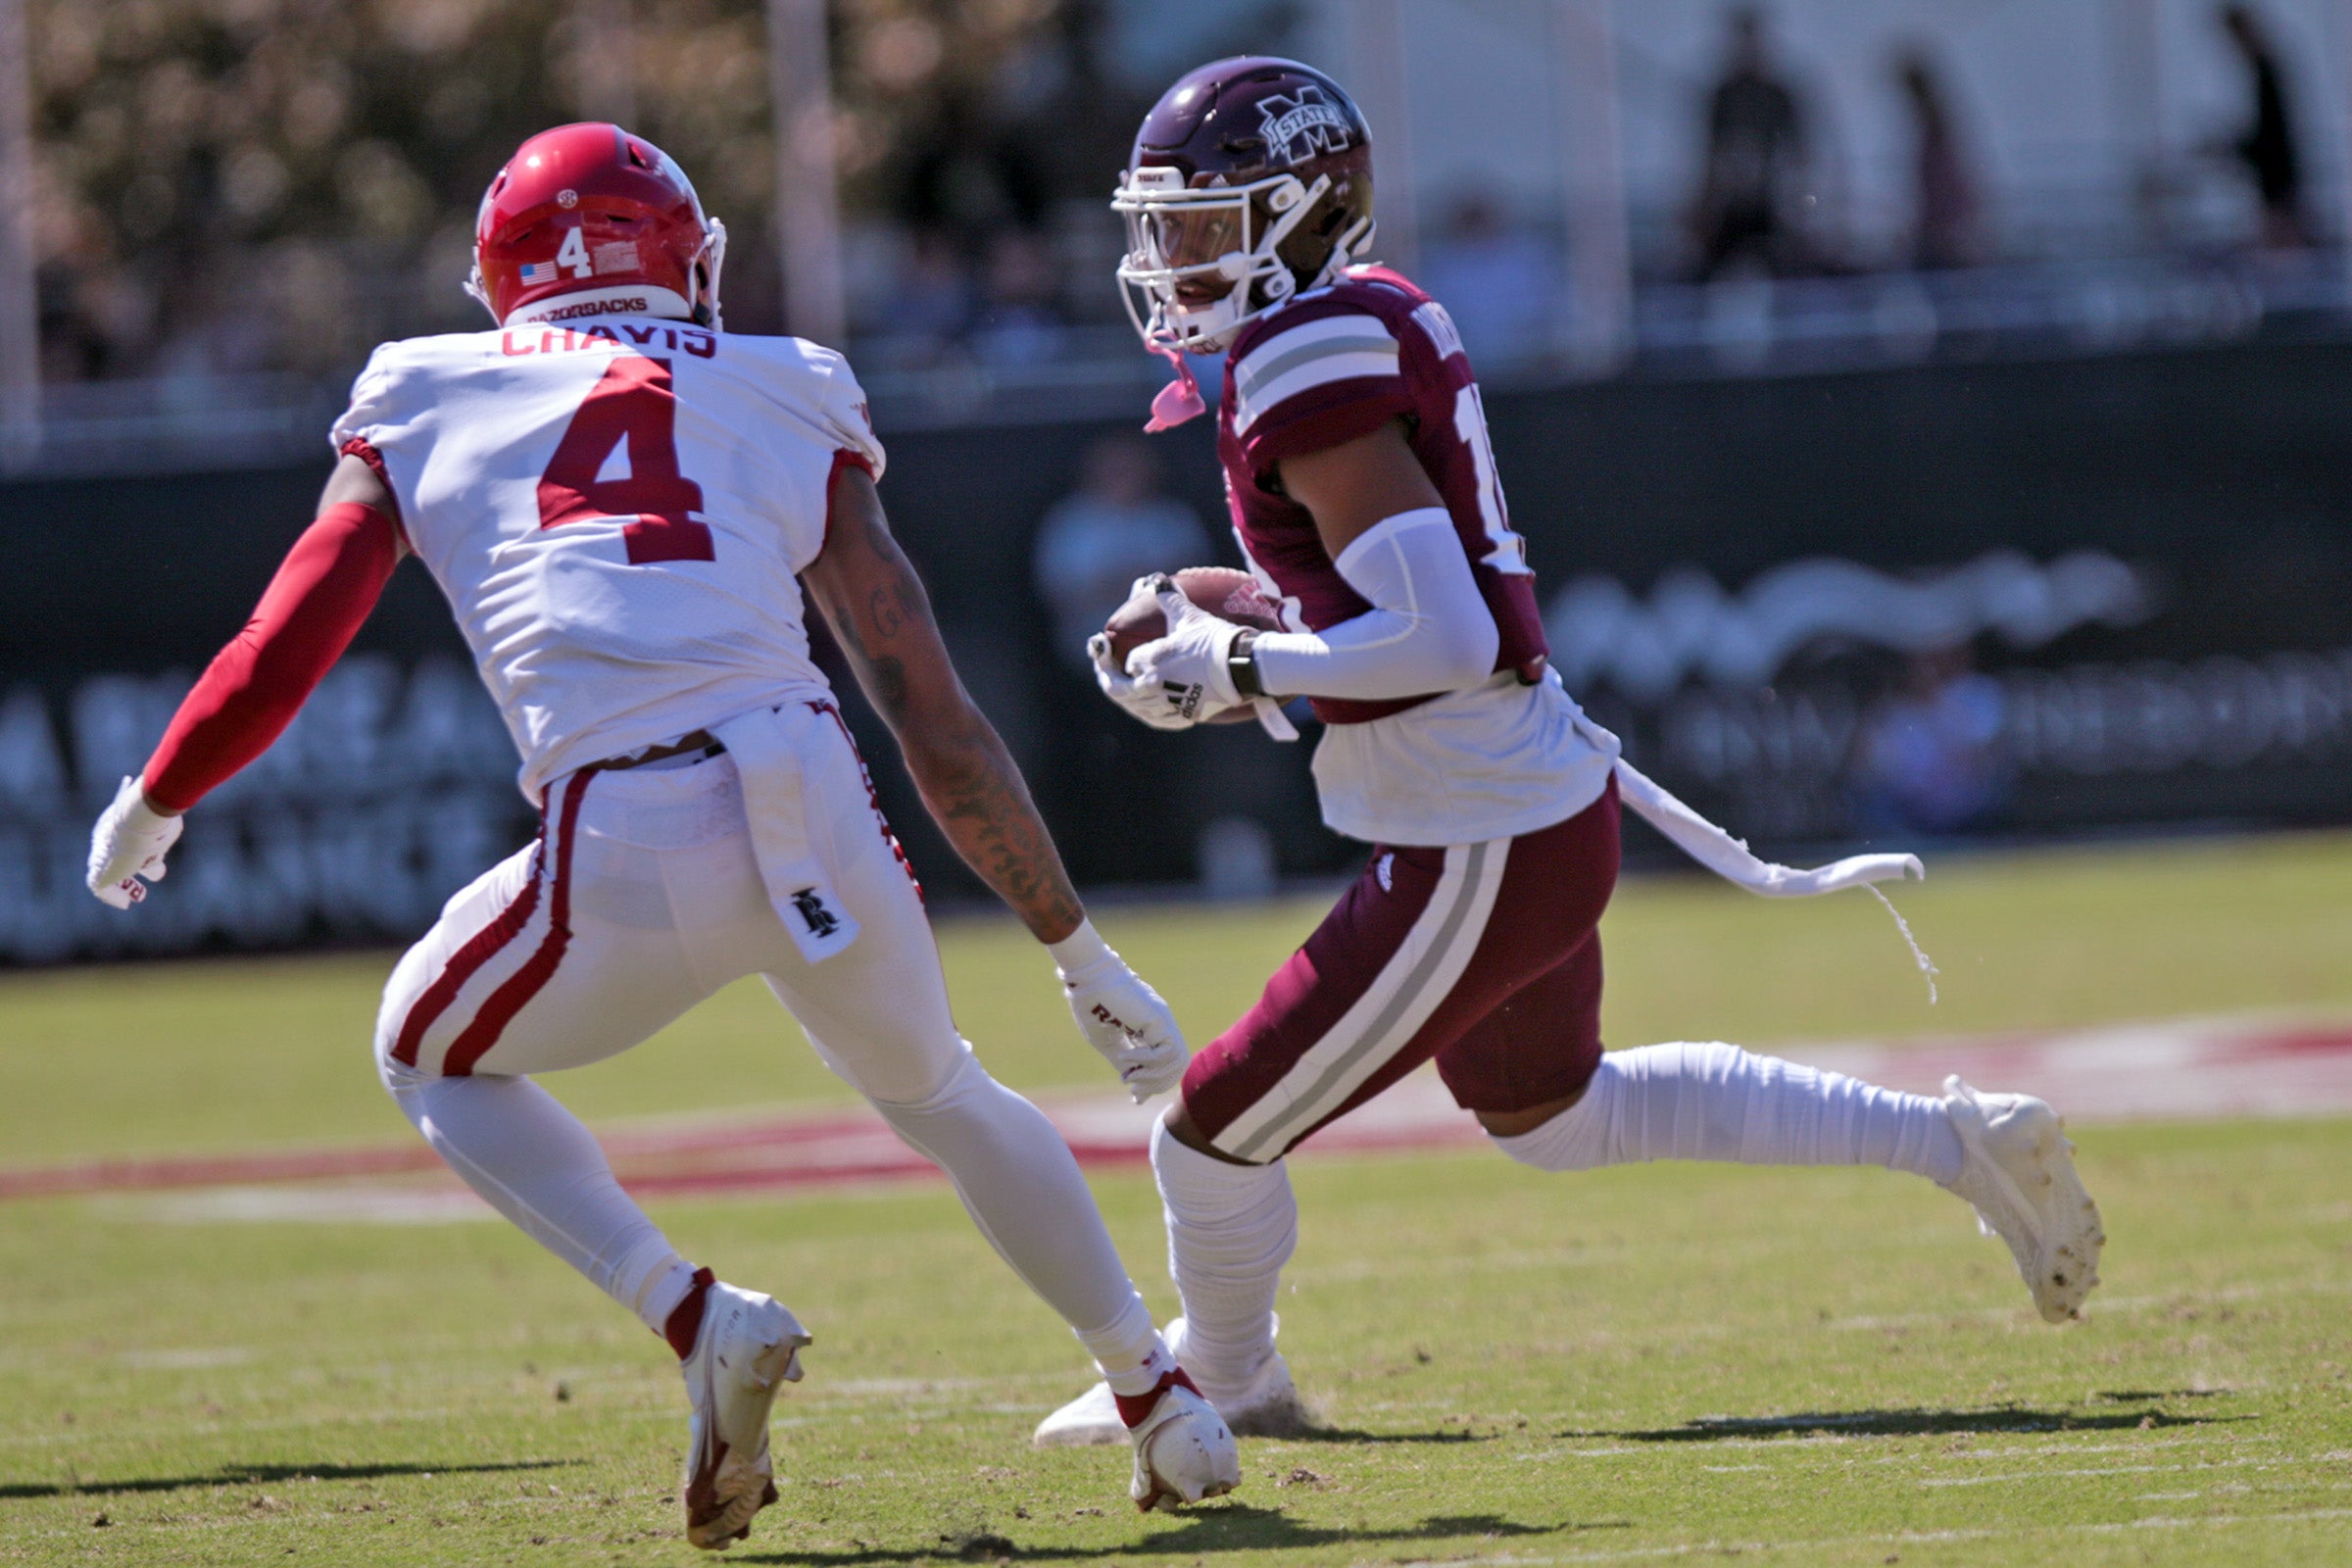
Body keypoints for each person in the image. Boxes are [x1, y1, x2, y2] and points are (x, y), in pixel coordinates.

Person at [83, 122, 1240, 1546]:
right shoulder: (784, 381)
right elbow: (923, 703)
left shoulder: (422, 388)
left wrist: (157, 797)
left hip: (622, 824)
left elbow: (286, 642)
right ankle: (1161, 1395)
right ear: (676, 255)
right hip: (813, 788)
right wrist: (1076, 946)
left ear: (507, 275)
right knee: (942, 1091)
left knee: (421, 1049)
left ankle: (696, 1315)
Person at [1035, 58, 2105, 1446]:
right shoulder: (1352, 320)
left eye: (1200, 223)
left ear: (1300, 214)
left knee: (1211, 1132)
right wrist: (1242, 618)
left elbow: (1447, 635)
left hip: (1478, 821)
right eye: (1160, 225)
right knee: (1551, 1112)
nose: (1166, 257)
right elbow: (1397, 609)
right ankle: (1960, 1146)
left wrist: (1243, 660)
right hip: (1508, 803)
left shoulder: (1310, 356)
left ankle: (1228, 1377)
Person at [1033, 435, 1215, 665]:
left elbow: (1200, 584)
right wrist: (1125, 586)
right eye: (1114, 469)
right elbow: (1057, 593)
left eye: (1131, 468)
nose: (1123, 476)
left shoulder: (1174, 518)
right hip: (1090, 654)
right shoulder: (1069, 522)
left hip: (1170, 653)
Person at [1690, 8, 1815, 279]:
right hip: (1730, 204)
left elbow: (1800, 153)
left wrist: (1800, 204)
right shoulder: (1723, 95)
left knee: (1789, 275)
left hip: (1772, 204)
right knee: (1703, 275)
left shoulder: (1778, 95)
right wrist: (1704, 206)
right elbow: (1709, 156)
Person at [2216, 5, 2307, 249]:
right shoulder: (2267, 71)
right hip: (2278, 183)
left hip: (2279, 186)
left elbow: (2272, 138)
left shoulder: (2267, 74)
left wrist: (2233, 150)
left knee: (2282, 257)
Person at [1894, 49, 1984, 271]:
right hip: (1942, 229)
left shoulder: (1936, 134)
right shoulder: (1933, 132)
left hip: (1944, 232)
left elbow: (1944, 187)